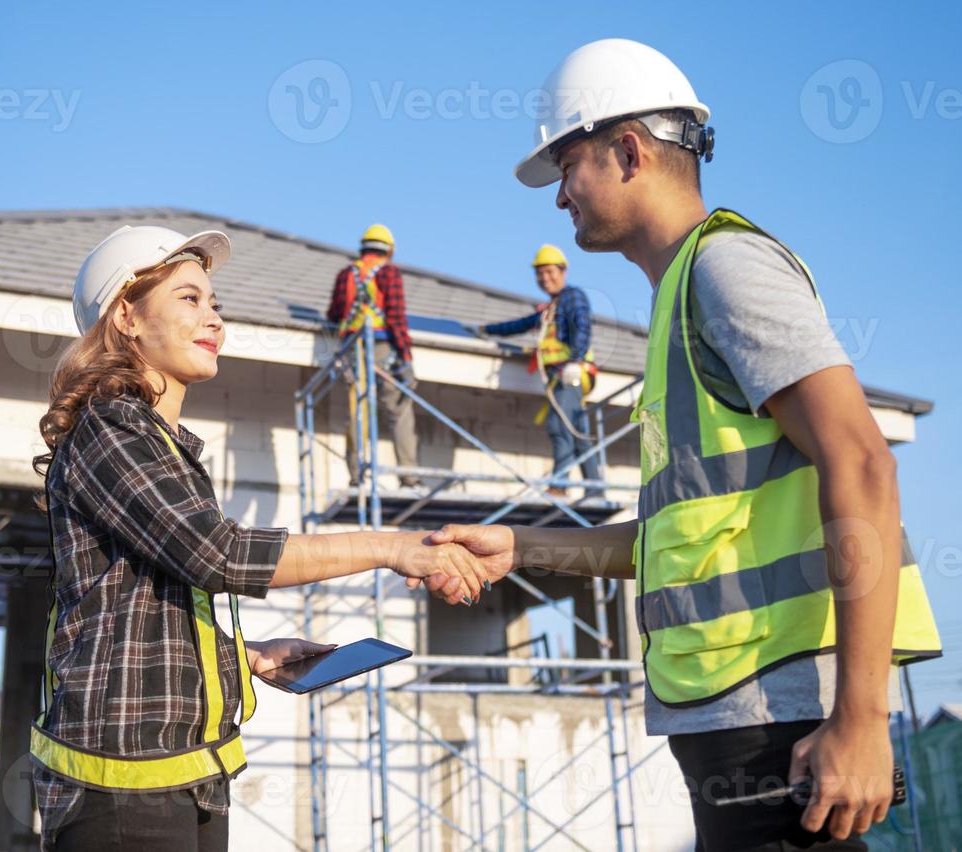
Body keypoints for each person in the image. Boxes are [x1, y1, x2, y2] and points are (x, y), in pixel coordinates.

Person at [417, 39, 942, 851]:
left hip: (786, 719)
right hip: (735, 713)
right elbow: (672, 545)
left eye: (568, 166)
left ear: (628, 150)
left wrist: (861, 719)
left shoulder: (725, 270)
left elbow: (862, 461)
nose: (560, 196)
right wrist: (518, 547)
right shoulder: (676, 304)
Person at [31, 224, 487, 851]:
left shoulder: (162, 447)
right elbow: (218, 554)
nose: (214, 317)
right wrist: (393, 547)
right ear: (127, 318)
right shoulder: (111, 430)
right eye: (190, 298)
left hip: (185, 778)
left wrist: (239, 656)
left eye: (214, 302)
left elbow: (134, 617)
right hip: (120, 790)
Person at [475, 243, 602, 498]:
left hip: (571, 373)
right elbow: (521, 325)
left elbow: (582, 327)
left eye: (550, 272)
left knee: (559, 425)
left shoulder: (572, 297)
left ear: (563, 271)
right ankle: (595, 489)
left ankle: (559, 486)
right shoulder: (550, 309)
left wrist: (575, 361)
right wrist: (488, 330)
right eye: (540, 274)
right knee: (578, 431)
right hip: (562, 375)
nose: (545, 278)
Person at [325, 223, 422, 489]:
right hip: (382, 347)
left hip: (352, 350)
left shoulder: (347, 273)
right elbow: (396, 317)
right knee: (399, 408)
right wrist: (406, 356)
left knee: (359, 409)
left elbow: (333, 315)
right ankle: (409, 477)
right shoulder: (389, 272)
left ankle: (356, 474)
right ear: (388, 250)